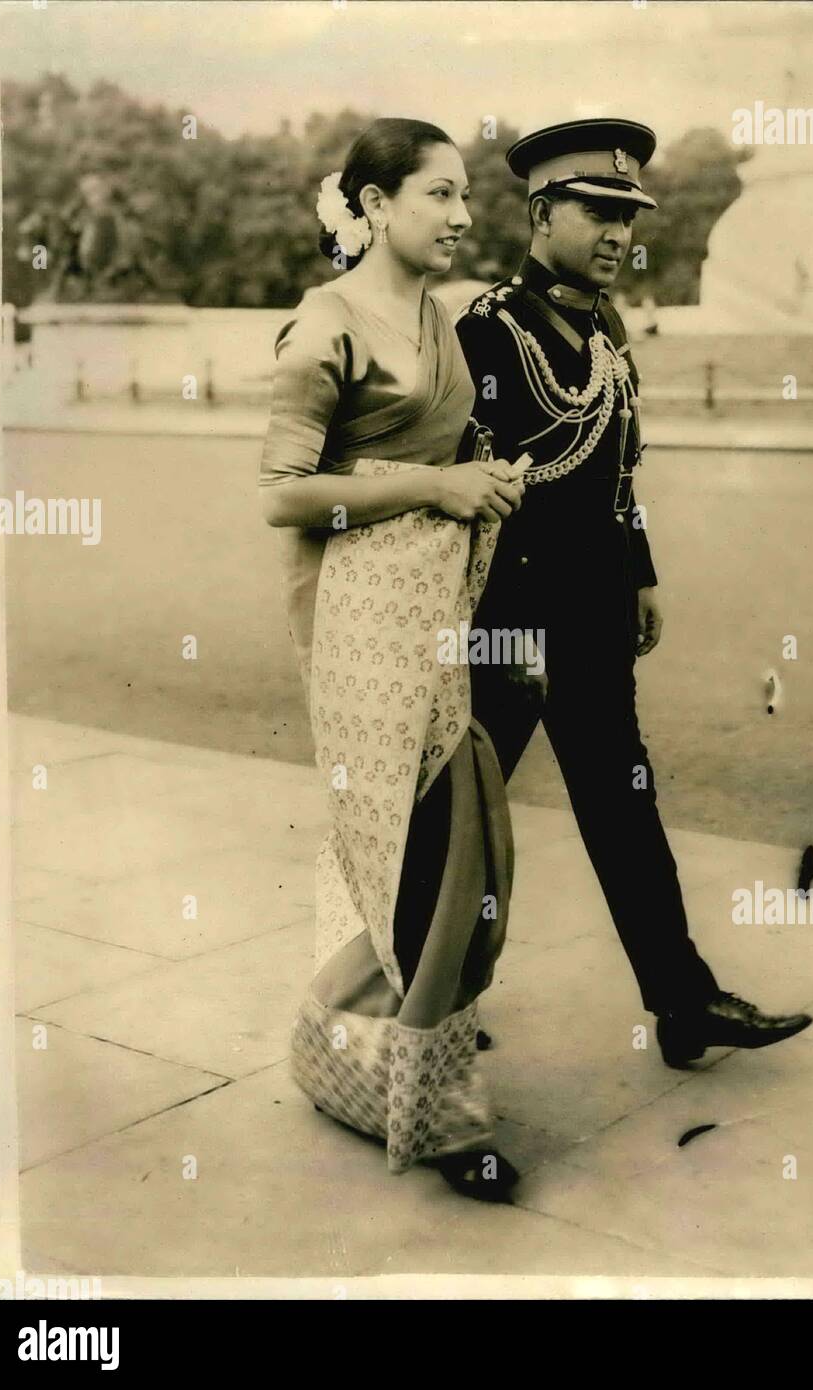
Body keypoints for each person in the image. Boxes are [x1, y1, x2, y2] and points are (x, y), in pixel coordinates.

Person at [453, 119, 813, 1067]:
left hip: (595, 618)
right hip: (509, 625)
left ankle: (683, 1002)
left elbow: (617, 470)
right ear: (539, 214)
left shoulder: (604, 326)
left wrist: (640, 575)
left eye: (628, 214)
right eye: (599, 211)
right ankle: (423, 1002)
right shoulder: (489, 332)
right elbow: (467, 489)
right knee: (461, 821)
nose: (619, 232)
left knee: (624, 805)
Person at [258, 118, 528, 1202]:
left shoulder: (437, 316)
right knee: (427, 839)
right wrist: (439, 488)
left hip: (435, 600)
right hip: (362, 613)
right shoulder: (324, 327)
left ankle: (378, 1042)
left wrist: (484, 478)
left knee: (460, 837)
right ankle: (431, 1100)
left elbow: (444, 454)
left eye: (466, 196)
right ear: (373, 205)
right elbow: (283, 490)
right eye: (439, 195)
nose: (462, 217)